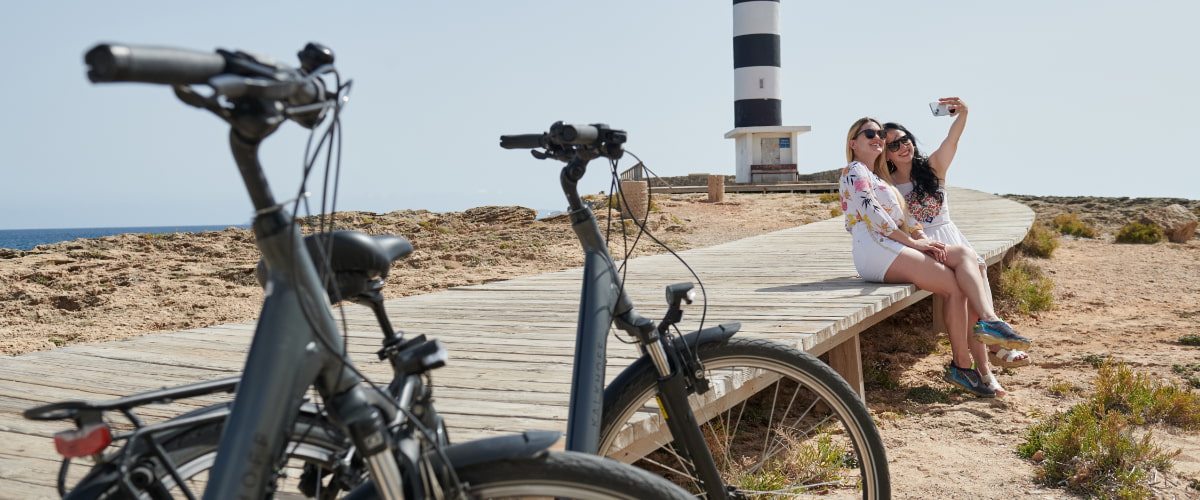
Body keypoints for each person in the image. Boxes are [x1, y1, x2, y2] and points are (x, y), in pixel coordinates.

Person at [838, 117, 1030, 397]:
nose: (877, 137)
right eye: (870, 133)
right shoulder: (854, 171)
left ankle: (973, 348)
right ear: (853, 143)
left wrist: (924, 240)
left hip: (893, 245)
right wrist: (917, 246)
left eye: (880, 133)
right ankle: (974, 357)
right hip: (874, 248)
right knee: (955, 279)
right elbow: (876, 219)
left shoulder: (879, 179)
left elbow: (906, 217)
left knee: (961, 263)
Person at [883, 97, 1033, 377]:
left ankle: (990, 349)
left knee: (976, 270)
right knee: (970, 275)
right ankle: (992, 346)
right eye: (893, 145)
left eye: (904, 140)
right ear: (886, 154)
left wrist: (963, 113)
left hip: (949, 234)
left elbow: (953, 139)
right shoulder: (887, 184)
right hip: (919, 244)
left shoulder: (933, 167)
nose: (902, 147)